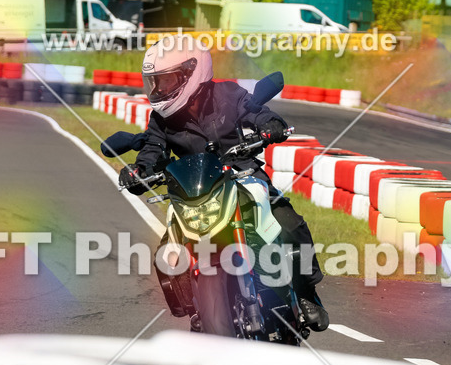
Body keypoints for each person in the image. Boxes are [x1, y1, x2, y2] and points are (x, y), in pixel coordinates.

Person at [119, 40, 329, 331]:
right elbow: (152, 151)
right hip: (195, 190)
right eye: (156, 82)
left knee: (289, 224)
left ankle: (306, 294)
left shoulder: (227, 94)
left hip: (242, 175)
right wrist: (138, 171)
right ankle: (197, 308)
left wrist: (271, 125)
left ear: (191, 73)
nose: (159, 90)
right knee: (167, 253)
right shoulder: (161, 119)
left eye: (166, 81)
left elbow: (255, 111)